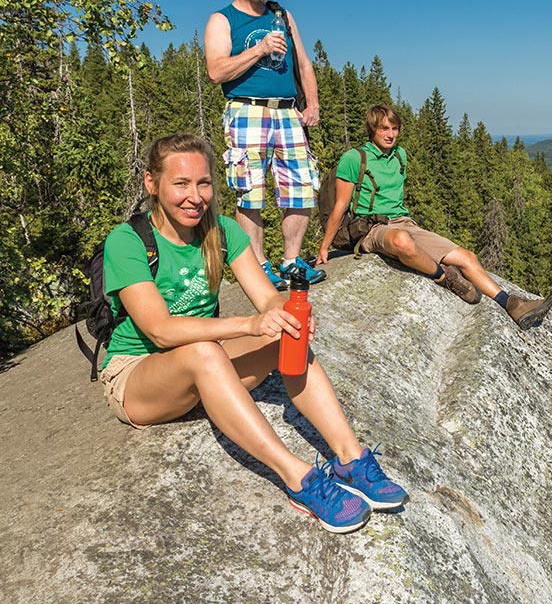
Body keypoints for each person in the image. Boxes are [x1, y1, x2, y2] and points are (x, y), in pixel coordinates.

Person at [99, 134, 407, 533]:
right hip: (140, 378)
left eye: (204, 183)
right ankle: (299, 478)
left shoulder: (222, 231)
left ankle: (350, 457)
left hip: (207, 370)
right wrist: (247, 325)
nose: (195, 196)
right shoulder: (127, 241)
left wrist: (289, 316)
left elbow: (267, 300)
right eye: (180, 184)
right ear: (151, 183)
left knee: (286, 336)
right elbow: (160, 331)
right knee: (204, 352)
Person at [316, 105, 552, 329]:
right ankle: (444, 277)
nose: (390, 134)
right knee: (401, 241)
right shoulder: (353, 158)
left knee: (467, 257)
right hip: (371, 228)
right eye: (384, 128)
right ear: (372, 130)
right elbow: (340, 205)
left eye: (394, 128)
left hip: (403, 222)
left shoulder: (400, 155)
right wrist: (325, 247)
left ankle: (511, 304)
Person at [203, 0, 324, 290]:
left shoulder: (282, 15)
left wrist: (311, 102)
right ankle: (258, 265)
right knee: (250, 190)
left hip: (287, 110)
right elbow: (216, 70)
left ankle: (292, 261)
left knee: (300, 186)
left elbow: (303, 63)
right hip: (246, 108)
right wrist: (258, 49)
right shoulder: (223, 20)